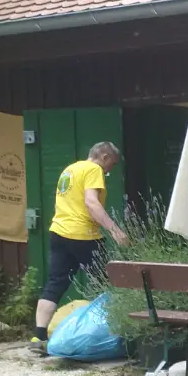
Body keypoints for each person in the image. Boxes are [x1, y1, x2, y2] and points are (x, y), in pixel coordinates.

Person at [30, 143, 129, 353]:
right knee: (107, 283)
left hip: (58, 232)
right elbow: (91, 203)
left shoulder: (70, 170)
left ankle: (38, 338)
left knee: (55, 283)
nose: (110, 169)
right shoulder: (94, 170)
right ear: (104, 157)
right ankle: (116, 334)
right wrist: (115, 230)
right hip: (83, 235)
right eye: (111, 164)